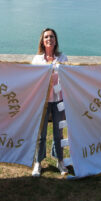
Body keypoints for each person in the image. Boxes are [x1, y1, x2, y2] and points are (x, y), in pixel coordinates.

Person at [31, 28, 69, 177]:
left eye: (52, 36)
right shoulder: (37, 60)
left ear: (55, 40)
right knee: (41, 134)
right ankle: (38, 163)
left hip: (59, 100)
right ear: (42, 40)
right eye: (46, 37)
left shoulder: (63, 57)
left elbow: (68, 77)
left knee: (58, 133)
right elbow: (32, 80)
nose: (49, 39)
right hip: (43, 101)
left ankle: (60, 161)